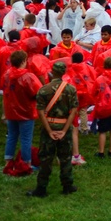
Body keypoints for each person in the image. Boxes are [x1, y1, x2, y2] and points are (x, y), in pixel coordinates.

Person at [29, 61, 79, 197]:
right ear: (64, 72)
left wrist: (50, 130)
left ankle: (41, 188)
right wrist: (64, 130)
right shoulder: (71, 89)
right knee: (65, 158)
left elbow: (40, 112)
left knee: (45, 159)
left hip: (49, 126)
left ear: (52, 72)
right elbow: (73, 111)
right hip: (64, 127)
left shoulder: (44, 90)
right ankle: (67, 186)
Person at [1, 50, 42, 172]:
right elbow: (37, 93)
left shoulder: (6, 74)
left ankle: (8, 161)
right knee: (25, 138)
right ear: (24, 61)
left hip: (11, 111)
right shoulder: (28, 76)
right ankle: (26, 163)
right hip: (26, 112)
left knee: (12, 136)